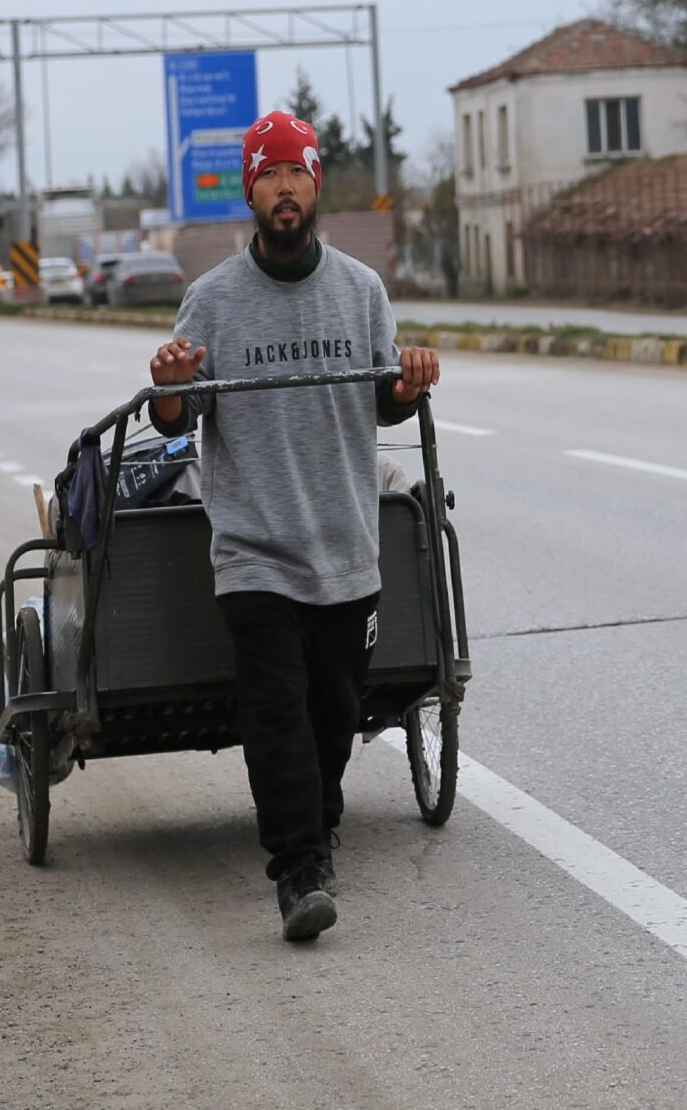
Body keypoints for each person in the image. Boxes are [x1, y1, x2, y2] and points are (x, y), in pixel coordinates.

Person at [147, 110, 439, 943]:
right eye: (269, 173)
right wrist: (167, 383)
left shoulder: (361, 290)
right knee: (275, 712)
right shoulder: (210, 302)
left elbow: (385, 402)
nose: (284, 187)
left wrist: (409, 381)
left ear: (316, 186)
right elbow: (176, 419)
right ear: (250, 188)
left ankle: (322, 821)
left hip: (345, 545)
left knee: (333, 713)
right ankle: (300, 870)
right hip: (254, 551)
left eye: (297, 172)